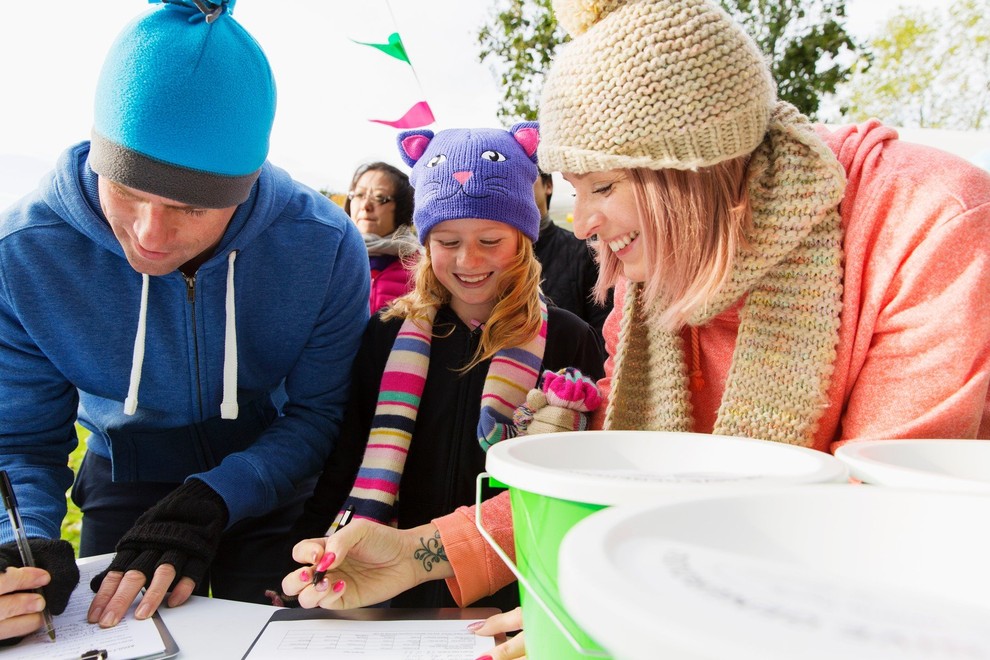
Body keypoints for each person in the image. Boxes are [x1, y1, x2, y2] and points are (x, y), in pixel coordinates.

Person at [280, 0, 990, 656]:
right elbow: (622, 476)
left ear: (695, 168)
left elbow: (880, 534)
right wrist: (419, 553)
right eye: (572, 187)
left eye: (605, 187)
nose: (580, 223)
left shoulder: (927, 224)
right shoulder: (655, 274)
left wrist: (608, 598)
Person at [0, 0, 370, 642]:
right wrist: (20, 543)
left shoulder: (325, 244)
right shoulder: (23, 253)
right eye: (128, 190)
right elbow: (22, 441)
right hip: (126, 470)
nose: (149, 236)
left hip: (274, 466)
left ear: (245, 185)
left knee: (274, 637)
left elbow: (318, 415)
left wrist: (218, 495)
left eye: (190, 208)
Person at [285, 122, 606, 613]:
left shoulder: (568, 339)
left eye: (490, 240)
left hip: (511, 588)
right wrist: (312, 540)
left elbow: (580, 480)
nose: (468, 260)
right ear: (425, 242)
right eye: (448, 241)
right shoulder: (386, 335)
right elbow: (347, 452)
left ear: (523, 241)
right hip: (389, 581)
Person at [532, 168, 613, 341]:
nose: (517, 183)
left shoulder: (589, 251)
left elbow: (605, 336)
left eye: (526, 175)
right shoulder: (492, 259)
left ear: (548, 185)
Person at [344, 162, 420, 313]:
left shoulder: (421, 270)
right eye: (359, 195)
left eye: (380, 197)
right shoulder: (330, 257)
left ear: (402, 207)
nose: (365, 205)